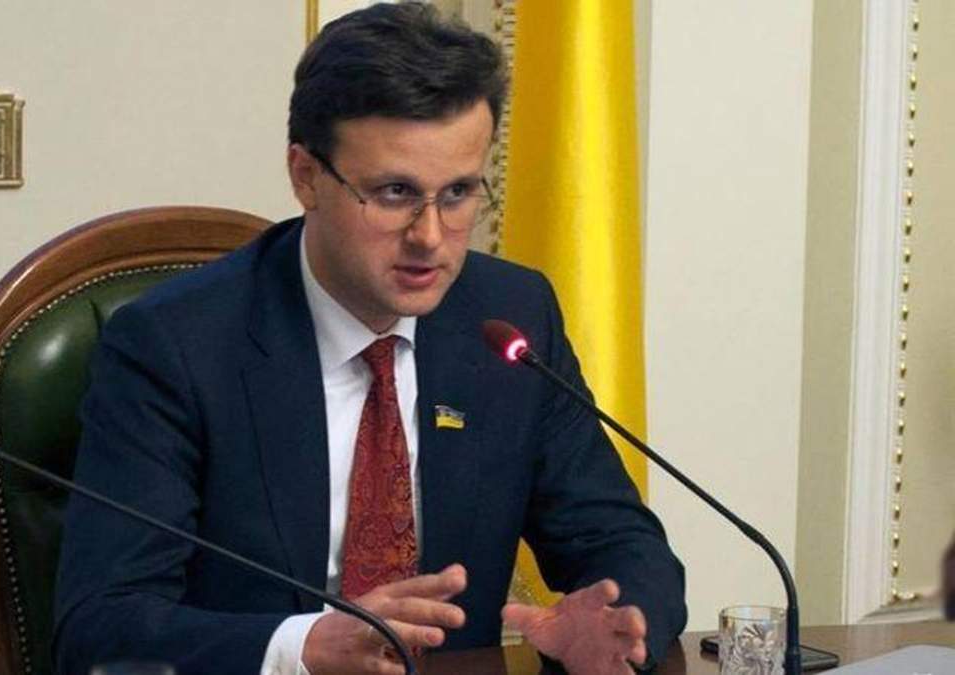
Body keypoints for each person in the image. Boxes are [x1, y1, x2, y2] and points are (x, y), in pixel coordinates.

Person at [54, 3, 686, 674]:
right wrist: (303, 647)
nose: (430, 236)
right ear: (305, 176)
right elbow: (100, 625)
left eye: (458, 193)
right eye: (393, 193)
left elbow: (624, 543)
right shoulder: (175, 346)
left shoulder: (510, 319)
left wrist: (619, 625)